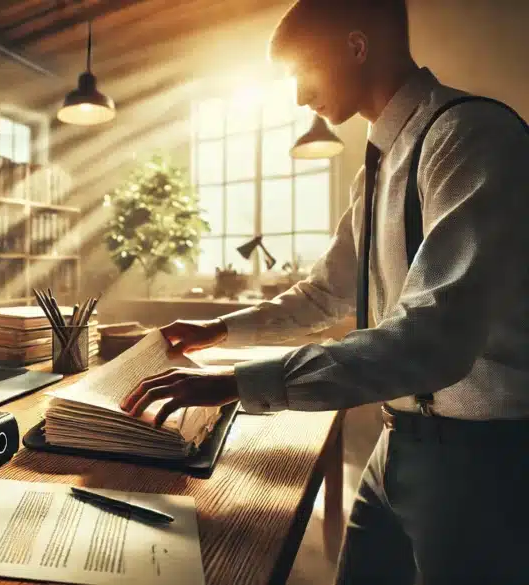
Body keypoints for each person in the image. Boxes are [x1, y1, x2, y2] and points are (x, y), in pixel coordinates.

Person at [120, 1, 529, 583]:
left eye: (300, 73)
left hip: (480, 461)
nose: (296, 97)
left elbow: (432, 339)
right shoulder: (377, 169)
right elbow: (325, 295)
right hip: (396, 446)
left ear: (356, 48)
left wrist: (237, 383)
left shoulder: (470, 138)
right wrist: (220, 330)